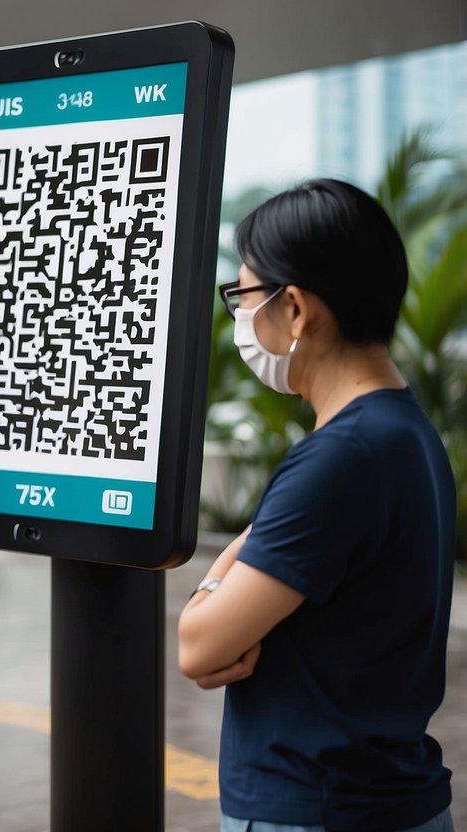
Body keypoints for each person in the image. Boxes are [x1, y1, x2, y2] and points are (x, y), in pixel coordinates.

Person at [177, 179, 455, 832]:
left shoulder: (343, 455)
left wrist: (213, 586)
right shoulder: (403, 430)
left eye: (243, 297)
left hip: (315, 805)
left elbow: (198, 645)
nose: (240, 319)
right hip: (384, 796)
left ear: (296, 309)